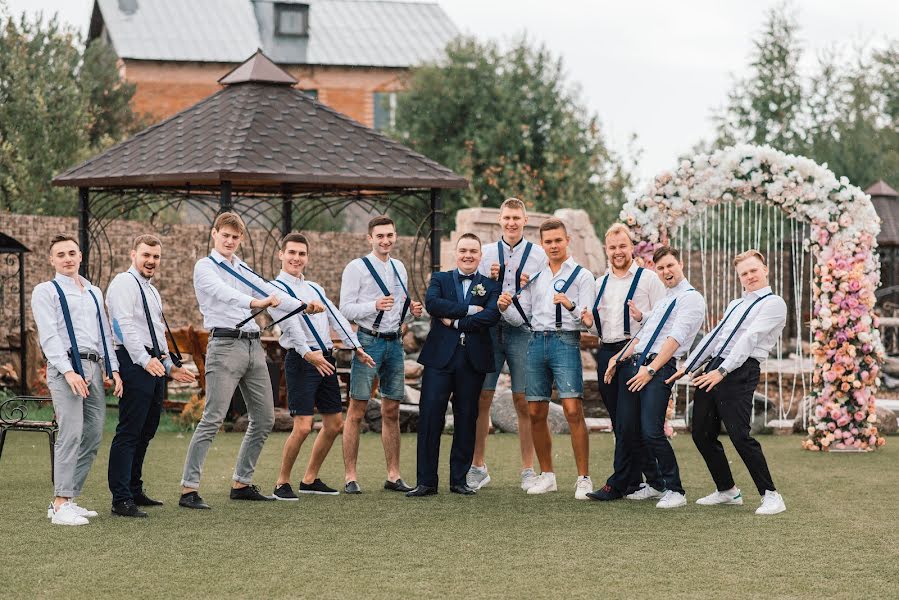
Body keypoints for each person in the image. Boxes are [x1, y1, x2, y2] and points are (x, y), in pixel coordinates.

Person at [179, 212, 321, 509]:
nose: (230, 240)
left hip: (253, 345)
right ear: (214, 234)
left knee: (265, 418)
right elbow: (225, 293)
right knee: (213, 417)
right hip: (224, 344)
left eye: (235, 237)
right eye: (225, 235)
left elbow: (272, 290)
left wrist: (304, 306)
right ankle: (188, 489)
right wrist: (257, 302)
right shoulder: (204, 267)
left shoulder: (241, 266)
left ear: (240, 239)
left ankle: (241, 483)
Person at [668, 249, 787, 515]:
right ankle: (727, 491)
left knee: (739, 434)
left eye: (754, 270)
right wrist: (687, 367)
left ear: (765, 269)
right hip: (715, 367)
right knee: (701, 432)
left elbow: (750, 339)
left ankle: (771, 495)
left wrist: (722, 371)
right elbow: (714, 337)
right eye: (744, 273)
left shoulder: (774, 303)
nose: (750, 276)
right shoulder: (736, 304)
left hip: (741, 369)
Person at [269, 233, 375, 500]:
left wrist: (356, 347)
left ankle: (309, 479)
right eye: (291, 252)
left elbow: (336, 317)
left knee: (334, 424)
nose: (296, 258)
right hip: (301, 361)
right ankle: (282, 482)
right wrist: (308, 354)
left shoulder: (316, 288)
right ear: (281, 255)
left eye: (301, 253)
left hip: (326, 358)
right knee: (303, 426)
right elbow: (290, 327)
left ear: (307, 257)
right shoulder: (275, 289)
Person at [600, 246, 705, 509]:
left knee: (651, 430)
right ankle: (656, 484)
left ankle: (675, 490)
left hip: (659, 367)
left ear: (680, 264)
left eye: (670, 265)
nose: (666, 271)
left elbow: (675, 339)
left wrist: (650, 370)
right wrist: (618, 357)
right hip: (636, 364)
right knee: (629, 429)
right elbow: (642, 336)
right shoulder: (663, 300)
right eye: (660, 268)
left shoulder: (691, 298)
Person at [498, 218, 596, 499]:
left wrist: (571, 304)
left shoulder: (582, 275)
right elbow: (522, 317)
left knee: (572, 409)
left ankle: (583, 479)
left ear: (567, 241)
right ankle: (548, 475)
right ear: (542, 245)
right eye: (548, 241)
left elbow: (588, 322)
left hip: (565, 341)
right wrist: (504, 308)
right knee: (535, 412)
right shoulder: (538, 277)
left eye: (558, 240)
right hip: (535, 342)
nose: (553, 245)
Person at [32, 234, 123, 526]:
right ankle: (59, 505)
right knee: (71, 432)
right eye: (61, 255)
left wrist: (115, 368)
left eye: (72, 253)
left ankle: (68, 498)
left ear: (80, 256)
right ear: (52, 260)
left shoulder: (94, 291)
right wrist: (68, 370)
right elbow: (48, 335)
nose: (67, 259)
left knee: (93, 434)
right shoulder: (46, 291)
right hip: (66, 366)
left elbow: (104, 332)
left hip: (95, 366)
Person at [105, 234, 196, 517]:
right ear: (133, 254)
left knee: (147, 429)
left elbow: (155, 331)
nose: (151, 261)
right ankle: (120, 499)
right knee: (130, 430)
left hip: (153, 363)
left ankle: (134, 489)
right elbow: (122, 326)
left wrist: (170, 366)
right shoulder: (123, 283)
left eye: (156, 257)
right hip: (133, 361)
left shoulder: (152, 290)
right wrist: (144, 360)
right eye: (146, 255)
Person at [407, 234, 501, 497]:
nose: (468, 255)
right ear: (455, 254)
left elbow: (491, 316)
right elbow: (433, 304)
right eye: (463, 250)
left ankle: (459, 480)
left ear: (480, 255)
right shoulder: (440, 279)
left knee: (466, 418)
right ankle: (426, 481)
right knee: (429, 418)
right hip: (439, 359)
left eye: (473, 251)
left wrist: (455, 320)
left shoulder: (491, 286)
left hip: (473, 361)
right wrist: (471, 309)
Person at [339, 215, 423, 494]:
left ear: (395, 235)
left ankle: (394, 476)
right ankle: (350, 477)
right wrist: (373, 305)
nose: (386, 240)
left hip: (394, 343)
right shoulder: (356, 268)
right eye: (380, 236)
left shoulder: (399, 267)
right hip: (368, 341)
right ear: (370, 238)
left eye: (390, 235)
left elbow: (400, 303)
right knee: (357, 409)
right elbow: (346, 309)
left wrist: (411, 308)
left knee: (392, 409)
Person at [468, 197, 547, 492]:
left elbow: (543, 292)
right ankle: (478, 467)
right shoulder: (486, 252)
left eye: (517, 218)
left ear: (525, 221)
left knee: (523, 401)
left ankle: (528, 469)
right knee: (483, 398)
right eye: (507, 218)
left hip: (521, 331)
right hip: (489, 331)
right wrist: (488, 284)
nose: (512, 223)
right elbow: (473, 290)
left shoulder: (538, 255)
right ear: (499, 221)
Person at [586, 224, 665, 502]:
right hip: (606, 353)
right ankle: (645, 481)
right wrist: (588, 323)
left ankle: (615, 484)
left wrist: (641, 316)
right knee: (620, 422)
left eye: (622, 246)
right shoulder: (600, 283)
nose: (618, 252)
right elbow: (599, 329)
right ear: (607, 250)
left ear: (631, 247)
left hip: (634, 354)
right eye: (612, 247)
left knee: (627, 423)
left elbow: (660, 320)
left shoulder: (648, 280)